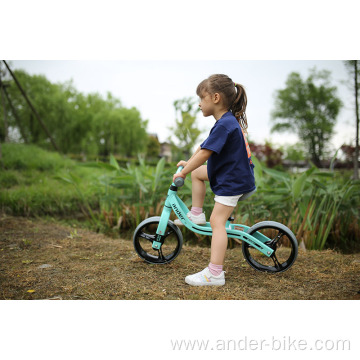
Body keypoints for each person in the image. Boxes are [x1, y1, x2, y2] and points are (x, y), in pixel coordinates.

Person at [173, 74, 255, 286]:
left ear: (215, 98)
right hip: (232, 174)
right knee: (197, 173)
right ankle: (196, 214)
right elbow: (202, 148)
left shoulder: (225, 124)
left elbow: (205, 154)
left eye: (202, 98)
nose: (199, 103)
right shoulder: (225, 122)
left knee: (217, 222)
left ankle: (215, 273)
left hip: (233, 180)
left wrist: (182, 173)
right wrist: (188, 165)